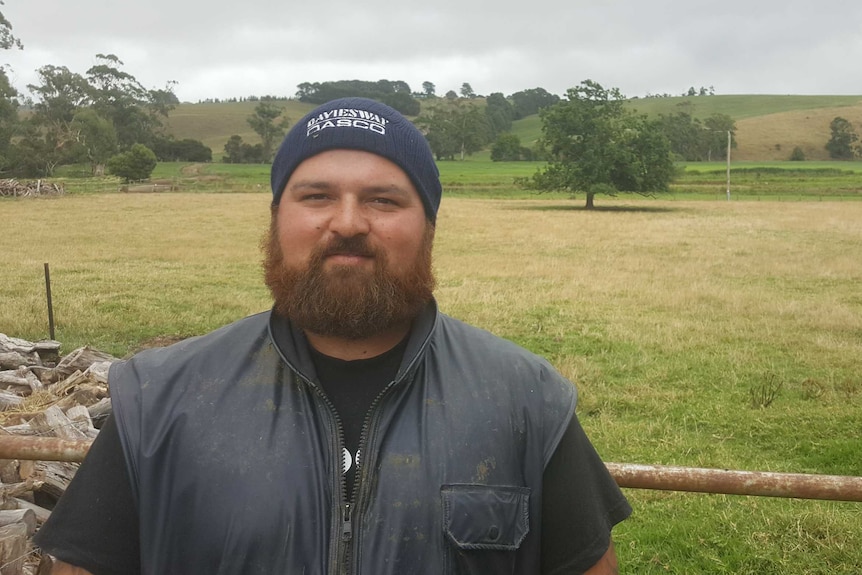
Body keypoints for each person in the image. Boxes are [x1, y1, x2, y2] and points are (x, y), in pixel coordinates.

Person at [35, 97, 631, 574]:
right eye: (316, 196)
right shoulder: (157, 398)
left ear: (427, 227)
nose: (347, 222)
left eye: (383, 199)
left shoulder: (527, 399)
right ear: (277, 220)